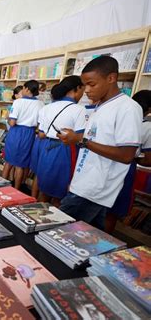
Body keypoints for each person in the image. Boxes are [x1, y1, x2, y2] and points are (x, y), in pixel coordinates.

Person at [58, 56, 142, 230]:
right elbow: (93, 144)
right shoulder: (100, 106)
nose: (86, 90)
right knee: (83, 238)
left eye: (92, 84)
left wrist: (81, 139)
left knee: (60, 231)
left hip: (95, 191)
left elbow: (127, 155)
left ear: (111, 78)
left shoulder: (128, 108)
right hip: (84, 185)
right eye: (84, 85)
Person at [35, 76, 86, 207]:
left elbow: (41, 134)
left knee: (44, 187)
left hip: (46, 147)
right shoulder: (79, 109)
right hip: (66, 149)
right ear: (77, 88)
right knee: (60, 192)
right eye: (83, 89)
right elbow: (80, 137)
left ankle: (36, 219)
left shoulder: (46, 108)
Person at [105, 89, 151, 232]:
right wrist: (135, 157)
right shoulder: (147, 126)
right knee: (113, 211)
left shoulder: (117, 116)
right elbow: (148, 160)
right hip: (125, 169)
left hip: (105, 164)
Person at [2, 80, 44, 189]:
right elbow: (40, 123)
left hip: (16, 132)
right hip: (30, 133)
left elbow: (12, 122)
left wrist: (7, 118)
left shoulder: (18, 102)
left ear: (27, 89)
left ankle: (1, 186)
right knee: (20, 164)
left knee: (8, 162)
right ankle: (17, 189)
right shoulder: (41, 104)